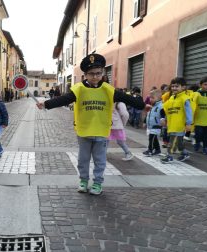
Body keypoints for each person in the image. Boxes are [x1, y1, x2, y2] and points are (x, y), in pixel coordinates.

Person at [36, 53, 145, 195]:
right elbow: (64, 99)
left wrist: (142, 104)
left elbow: (127, 98)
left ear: (103, 73)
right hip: (84, 130)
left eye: (98, 73)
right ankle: (83, 181)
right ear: (85, 75)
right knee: (83, 160)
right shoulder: (79, 89)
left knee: (100, 161)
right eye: (91, 74)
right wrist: (46, 104)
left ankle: (98, 183)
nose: (95, 77)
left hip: (101, 130)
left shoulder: (108, 89)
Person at [160, 77, 193, 163]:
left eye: (177, 86)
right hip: (171, 124)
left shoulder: (185, 99)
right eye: (173, 86)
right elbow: (167, 110)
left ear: (183, 87)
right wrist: (164, 118)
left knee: (172, 141)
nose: (174, 88)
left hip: (179, 125)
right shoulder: (171, 98)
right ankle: (184, 153)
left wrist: (189, 123)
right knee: (179, 142)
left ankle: (169, 156)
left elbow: (189, 111)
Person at [143, 89, 163, 156]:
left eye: (152, 98)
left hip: (156, 126)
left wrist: (163, 120)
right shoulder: (152, 106)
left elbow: (163, 115)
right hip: (151, 125)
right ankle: (157, 150)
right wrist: (145, 122)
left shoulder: (160, 106)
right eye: (150, 98)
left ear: (158, 98)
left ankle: (150, 150)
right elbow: (149, 115)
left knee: (151, 138)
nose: (151, 99)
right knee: (154, 139)